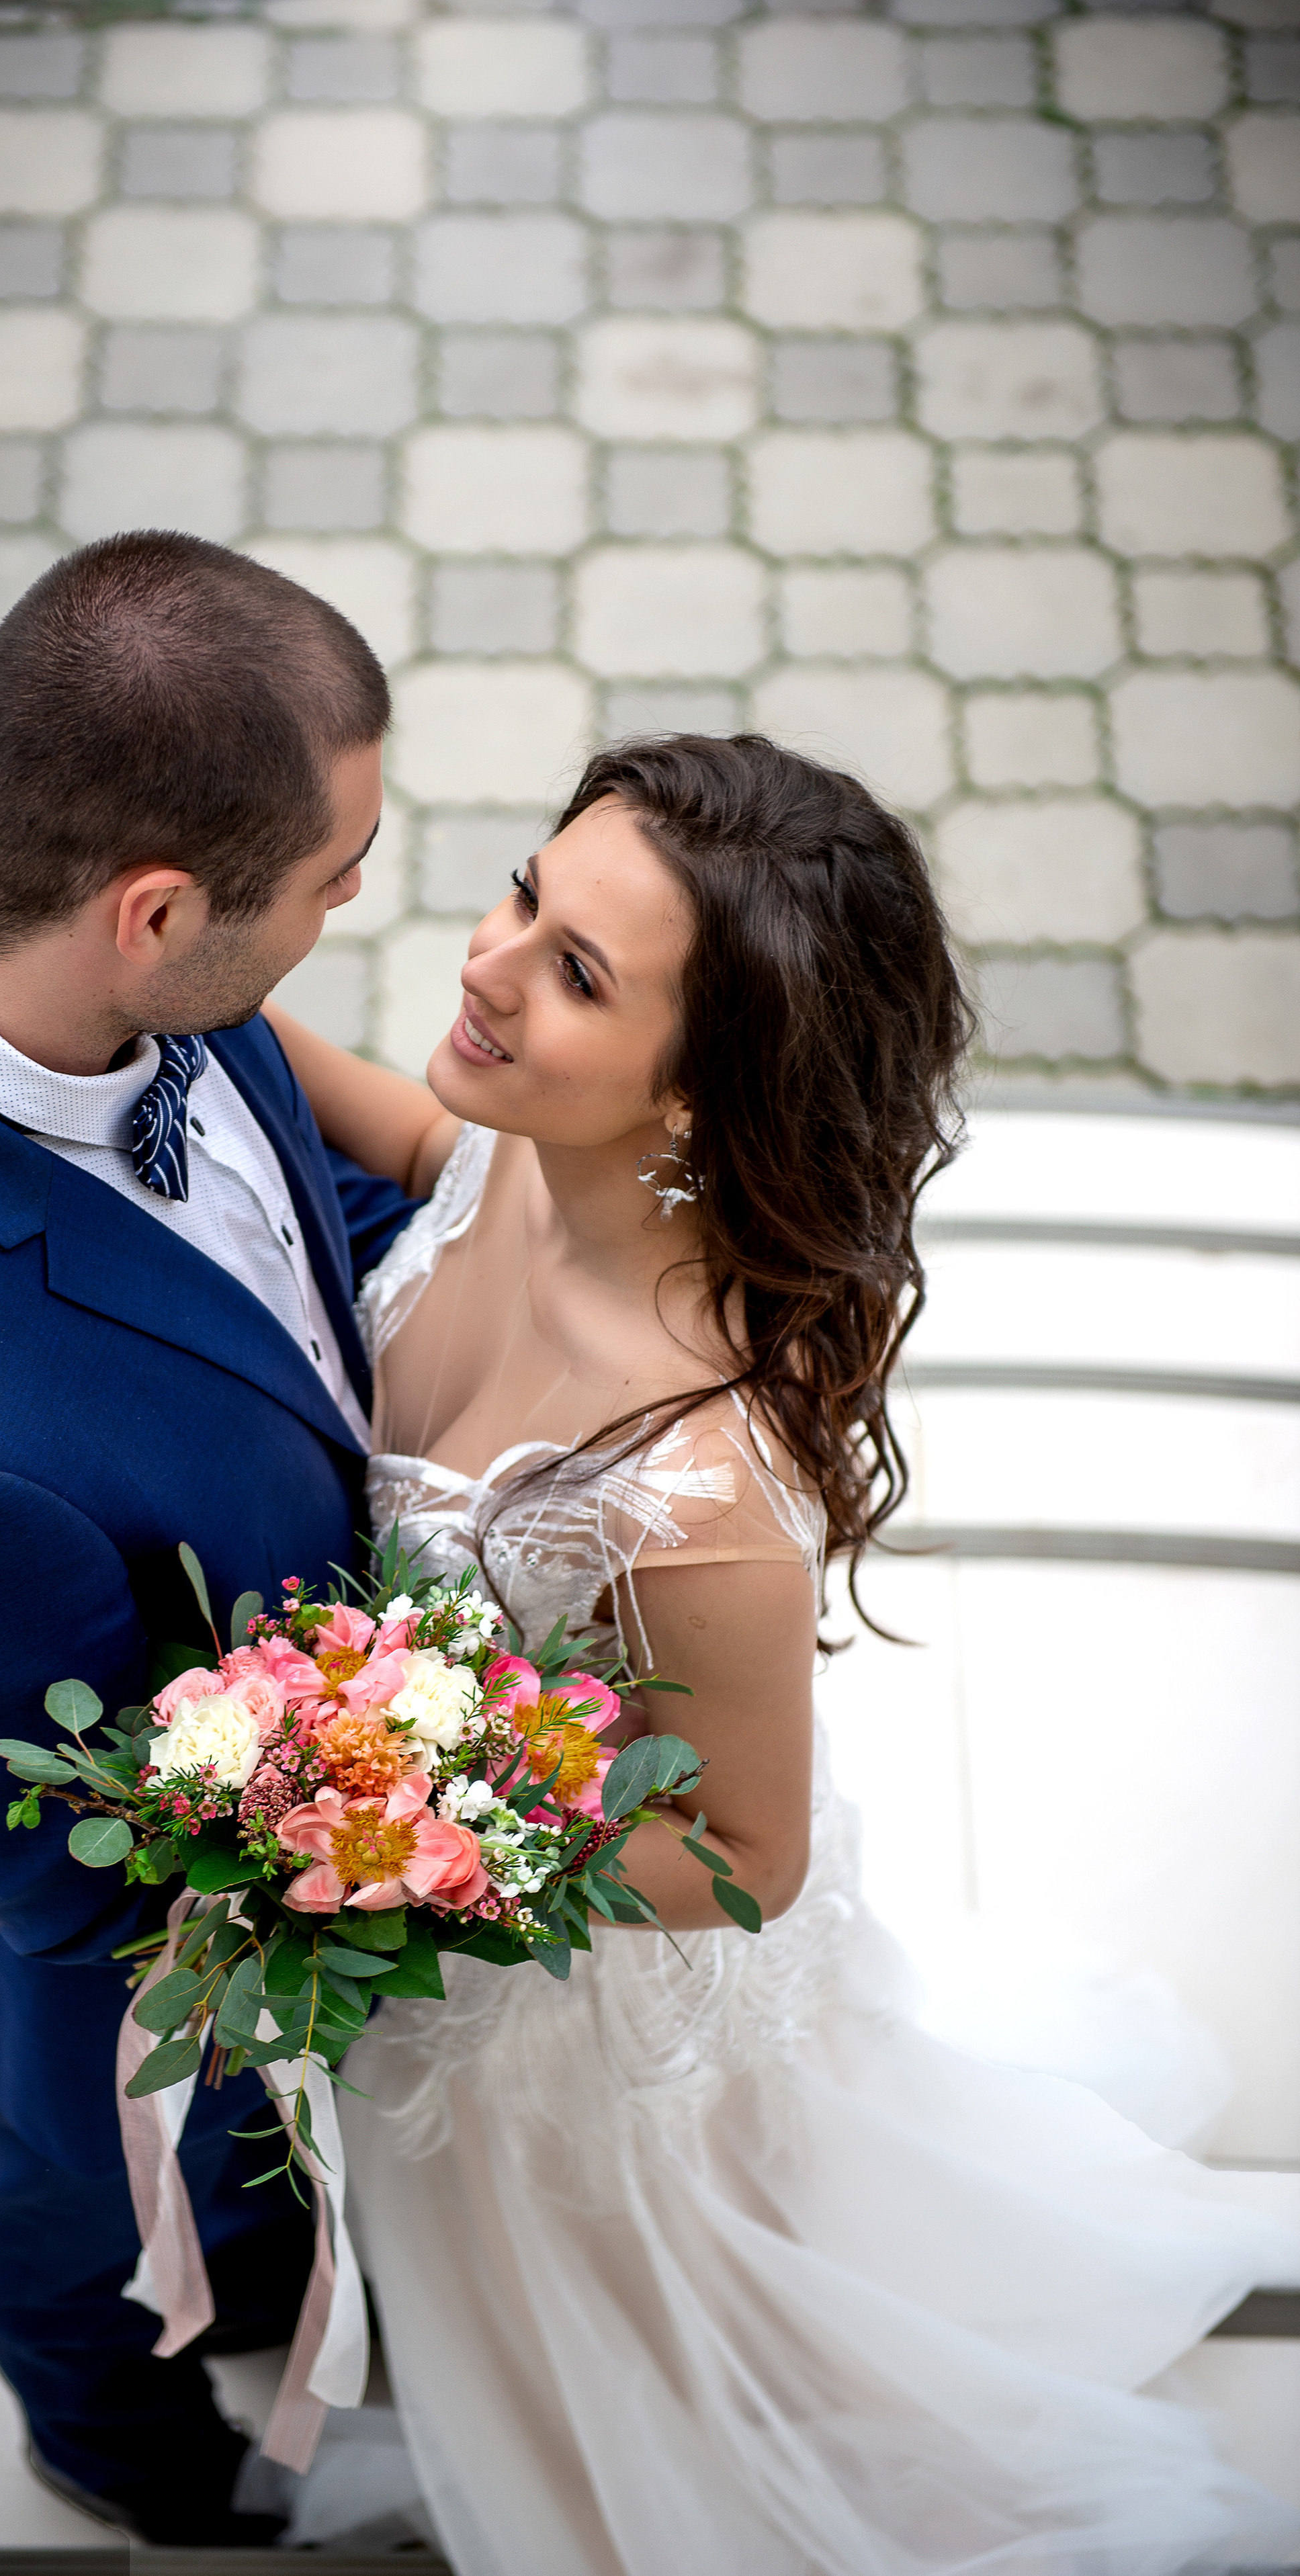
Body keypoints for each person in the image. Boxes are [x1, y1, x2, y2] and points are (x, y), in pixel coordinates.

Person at [265, 733, 1300, 2575]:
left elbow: (745, 1852)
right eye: (526, 891)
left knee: (623, 2330)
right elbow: (430, 1159)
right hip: (463, 1881)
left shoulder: (689, 1479)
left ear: (692, 1105)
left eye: (578, 973)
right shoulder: (526, 1147)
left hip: (554, 1980)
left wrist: (402, 1837)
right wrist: (198, 1021)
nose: (487, 966)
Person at [0, 533, 424, 2548]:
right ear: (156, 911)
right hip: (109, 1973)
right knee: (83, 2193)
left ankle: (283, 2258)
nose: (352, 903)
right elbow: (81, 1865)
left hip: (247, 1646)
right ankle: (110, 2446)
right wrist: (438, 1800)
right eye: (328, 879)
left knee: (273, 2204)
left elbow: (243, 1188)